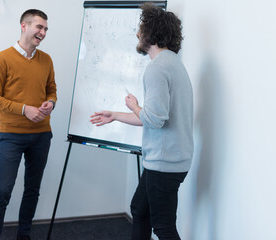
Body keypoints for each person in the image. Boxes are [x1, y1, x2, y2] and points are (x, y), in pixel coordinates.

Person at [90, 3, 193, 240]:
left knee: (164, 227)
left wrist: (134, 106)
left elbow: (154, 120)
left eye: (141, 29)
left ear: (152, 33)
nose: (137, 33)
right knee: (139, 209)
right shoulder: (173, 63)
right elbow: (156, 117)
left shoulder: (158, 68)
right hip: (167, 159)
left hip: (164, 162)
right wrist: (115, 115)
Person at [0, 9, 57, 240]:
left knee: (32, 190)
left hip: (41, 135)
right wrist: (25, 109)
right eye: (39, 27)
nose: (43, 32)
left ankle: (23, 235)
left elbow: (52, 90)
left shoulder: (46, 60)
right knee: (3, 190)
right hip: (11, 136)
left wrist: (50, 103)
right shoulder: (2, 58)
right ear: (24, 26)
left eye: (45, 28)